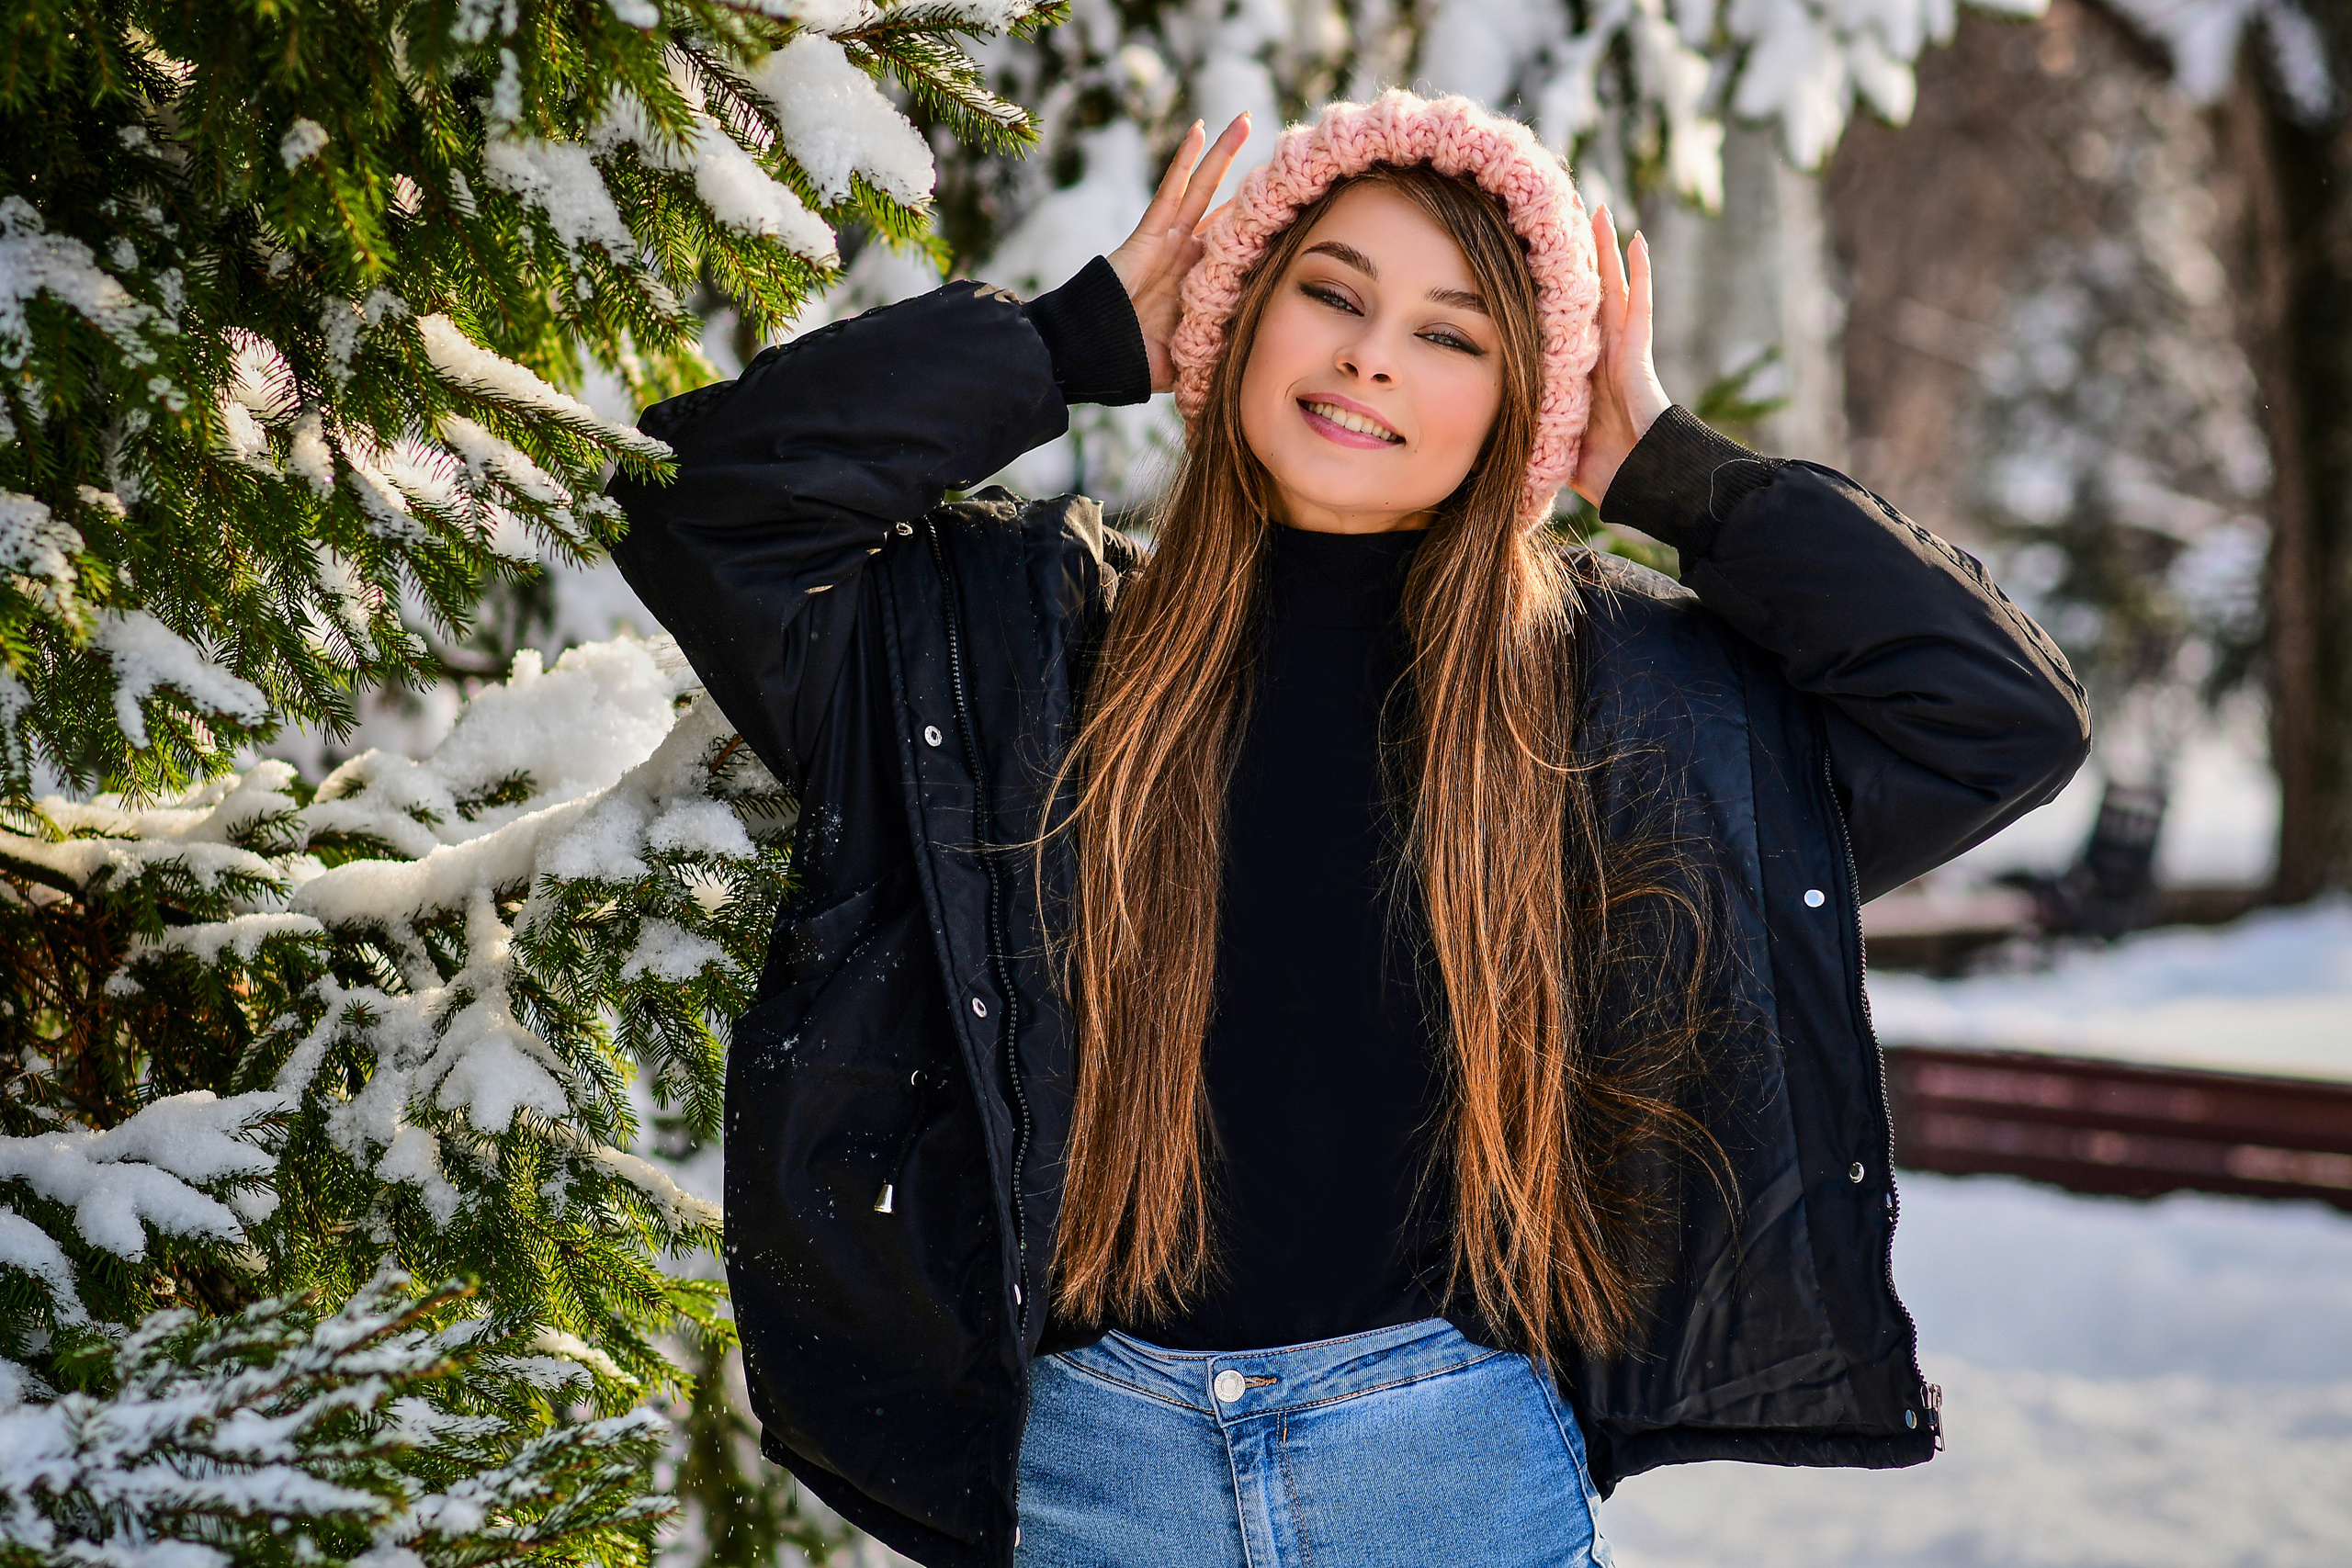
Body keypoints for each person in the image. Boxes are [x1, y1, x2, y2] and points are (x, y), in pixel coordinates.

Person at [608, 91, 2088, 1568]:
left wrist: (1673, 477)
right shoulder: (1028, 655)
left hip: (1447, 1471)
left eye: (1453, 334)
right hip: (1085, 1477)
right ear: (1240, 317)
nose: (1374, 353)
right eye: (1331, 292)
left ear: (1524, 404)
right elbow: (703, 512)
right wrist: (1069, 343)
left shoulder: (1613, 707)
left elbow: (1996, 718)